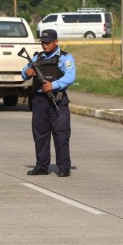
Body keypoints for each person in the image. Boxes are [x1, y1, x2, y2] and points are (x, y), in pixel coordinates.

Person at [21, 29, 76, 177]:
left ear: (56, 42)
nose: (44, 45)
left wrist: (53, 85)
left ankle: (64, 167)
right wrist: (27, 72)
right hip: (39, 101)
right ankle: (42, 166)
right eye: (43, 42)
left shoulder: (65, 58)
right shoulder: (36, 57)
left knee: (61, 134)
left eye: (48, 42)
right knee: (40, 134)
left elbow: (71, 77)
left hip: (57, 99)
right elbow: (23, 72)